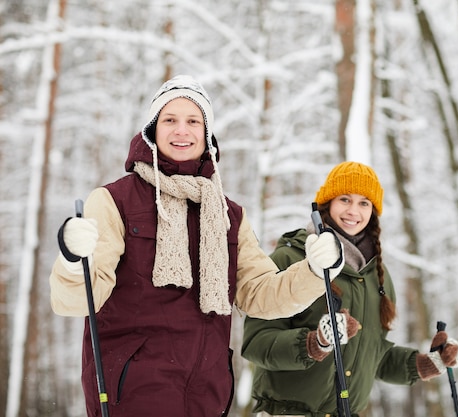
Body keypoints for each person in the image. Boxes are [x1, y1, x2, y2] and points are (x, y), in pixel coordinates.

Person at [49, 75, 344, 417]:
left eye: (193, 121)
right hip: (132, 394)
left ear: (207, 135)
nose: (181, 131)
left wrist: (314, 271)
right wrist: (73, 261)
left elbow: (261, 294)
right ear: (151, 130)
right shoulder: (115, 201)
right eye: (169, 120)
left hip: (207, 394)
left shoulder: (228, 214)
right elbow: (76, 301)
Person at [242, 161, 458, 416]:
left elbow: (372, 357)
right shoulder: (290, 259)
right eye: (345, 199)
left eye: (364, 203)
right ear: (328, 204)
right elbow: (256, 343)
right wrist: (316, 343)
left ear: (373, 211)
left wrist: (427, 363)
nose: (353, 211)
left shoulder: (376, 277)